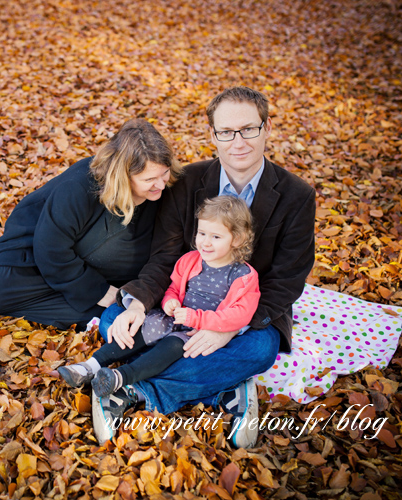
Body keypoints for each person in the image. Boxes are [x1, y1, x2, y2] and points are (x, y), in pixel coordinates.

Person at [93, 86, 316, 448]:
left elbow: (288, 278)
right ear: (212, 134)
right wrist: (137, 305)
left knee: (260, 350)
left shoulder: (297, 195)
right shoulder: (187, 183)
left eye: (249, 129)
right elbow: (164, 257)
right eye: (226, 132)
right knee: (114, 321)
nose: (238, 141)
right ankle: (225, 391)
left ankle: (130, 391)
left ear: (267, 128)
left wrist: (231, 328)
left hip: (246, 311)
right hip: (181, 305)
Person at [0, 118, 182, 341]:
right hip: (34, 258)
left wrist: (112, 293)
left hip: (94, 276)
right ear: (122, 175)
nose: (160, 184)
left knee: (96, 316)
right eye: (149, 179)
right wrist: (98, 290)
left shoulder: (161, 195)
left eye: (164, 174)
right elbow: (51, 250)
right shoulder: (80, 187)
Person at [58, 196, 260, 403]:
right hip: (173, 318)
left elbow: (239, 315)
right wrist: (169, 302)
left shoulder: (243, 276)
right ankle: (90, 365)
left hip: (197, 331)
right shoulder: (190, 260)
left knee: (171, 348)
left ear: (237, 239)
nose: (205, 242)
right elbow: (173, 288)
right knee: (138, 330)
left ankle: (121, 377)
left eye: (216, 237)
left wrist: (196, 319)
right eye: (202, 233)